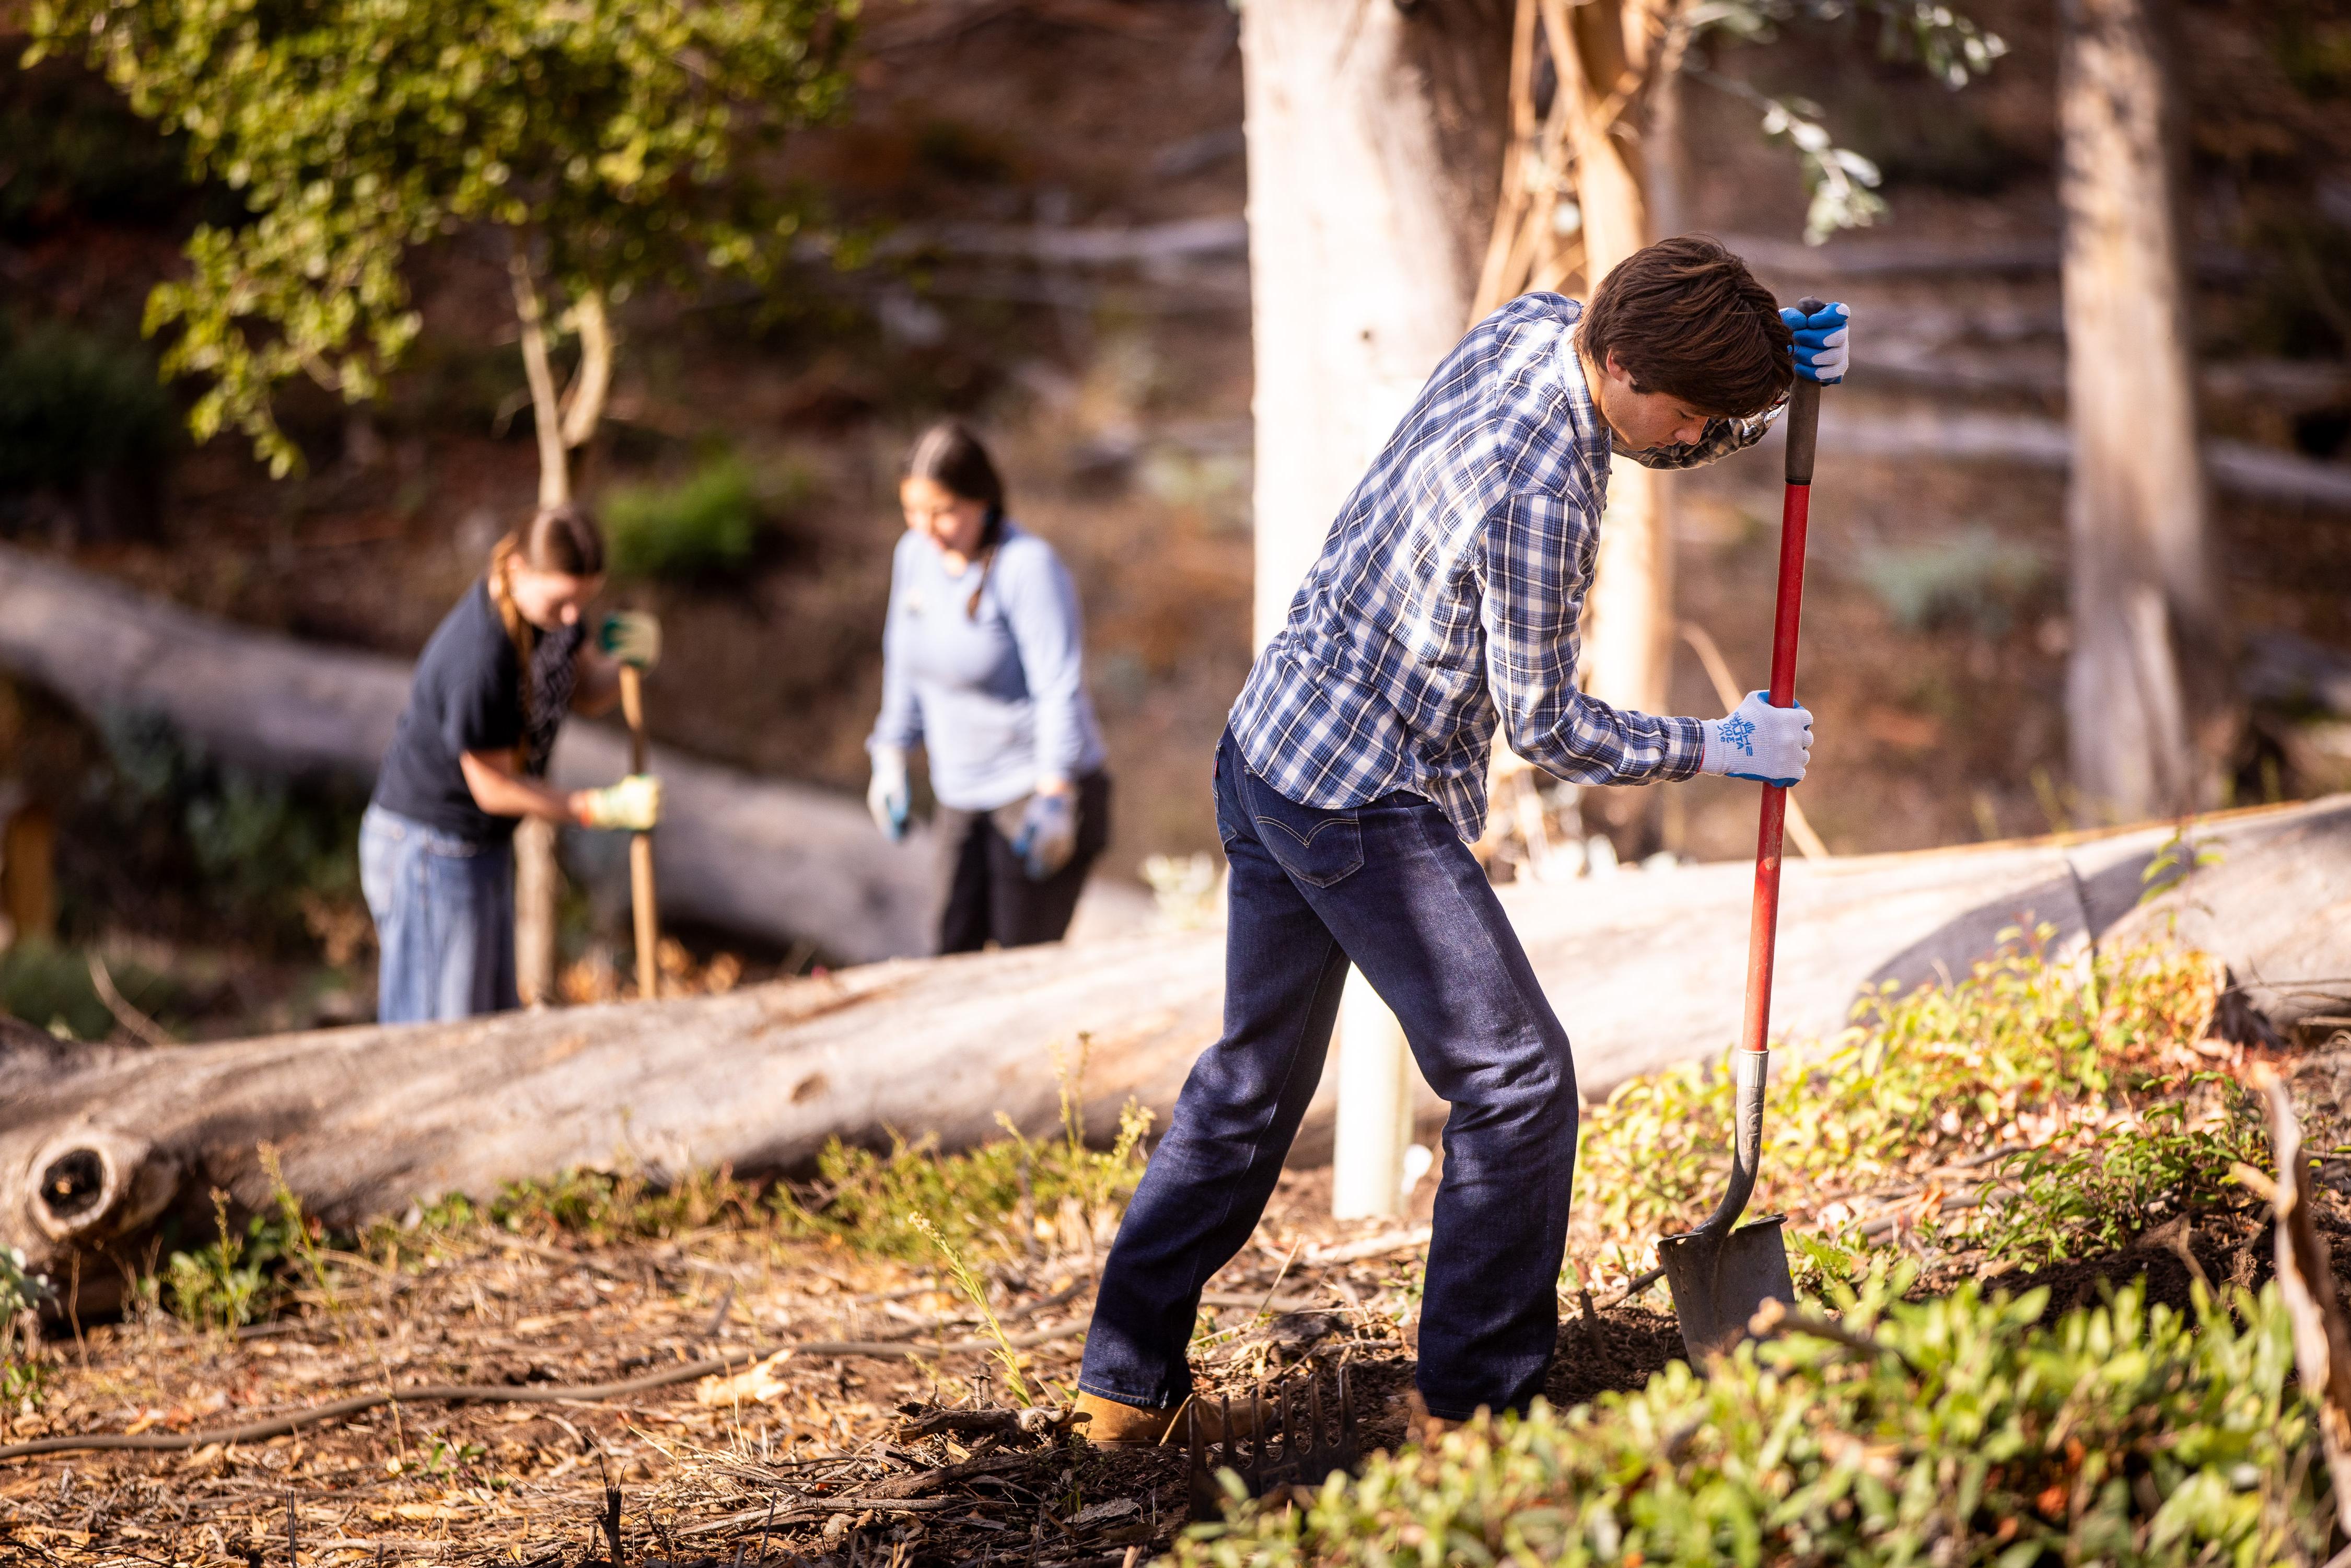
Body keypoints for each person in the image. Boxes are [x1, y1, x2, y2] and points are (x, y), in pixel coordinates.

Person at [1072, 237, 1854, 1443]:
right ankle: (1469, 1407)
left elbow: (1661, 405)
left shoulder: (1540, 321)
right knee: (1515, 1076)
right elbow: (1545, 724)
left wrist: (1772, 391)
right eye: (1692, 415)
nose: (1690, 438)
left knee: (1247, 1079)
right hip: (1357, 798)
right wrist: (1716, 745)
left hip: (1270, 739)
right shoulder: (1544, 482)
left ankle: (1119, 1389)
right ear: (1631, 369)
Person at [362, 503, 664, 1023]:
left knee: (488, 1027)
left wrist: (633, 662)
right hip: (429, 851)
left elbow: (585, 689)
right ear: (520, 571)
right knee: (439, 1039)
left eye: (584, 601)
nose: (573, 618)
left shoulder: (551, 616)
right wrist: (594, 807)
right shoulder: (479, 655)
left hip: (481, 847)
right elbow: (493, 787)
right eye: (563, 602)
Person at [865, 422, 1112, 954]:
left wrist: (1055, 795)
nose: (927, 528)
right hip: (961, 792)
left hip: (1031, 790)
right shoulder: (914, 555)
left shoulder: (1028, 569)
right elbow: (903, 660)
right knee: (947, 949)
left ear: (982, 499)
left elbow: (1058, 687)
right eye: (913, 511)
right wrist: (890, 752)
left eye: (943, 512)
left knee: (1020, 962)